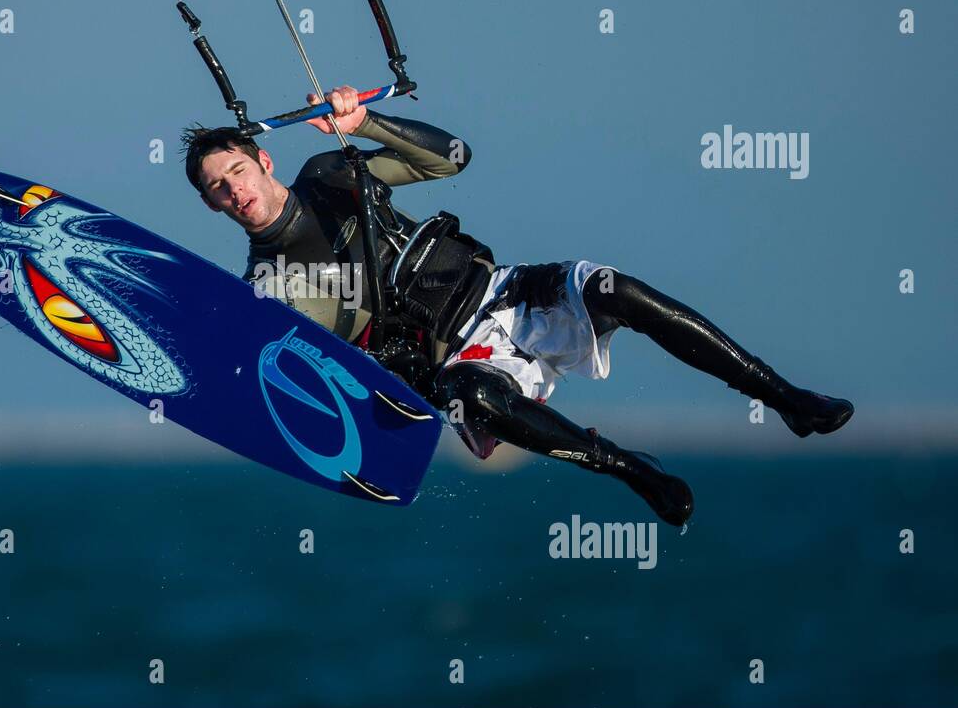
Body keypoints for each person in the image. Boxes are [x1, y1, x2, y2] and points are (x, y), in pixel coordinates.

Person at [181, 87, 853, 525]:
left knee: (615, 288)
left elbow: (453, 156)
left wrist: (368, 121)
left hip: (502, 293)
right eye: (217, 189)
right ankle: (631, 469)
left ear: (262, 160)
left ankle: (788, 399)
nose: (233, 190)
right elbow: (292, 372)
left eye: (236, 170)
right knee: (470, 389)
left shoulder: (332, 172)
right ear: (211, 205)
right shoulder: (266, 286)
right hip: (455, 362)